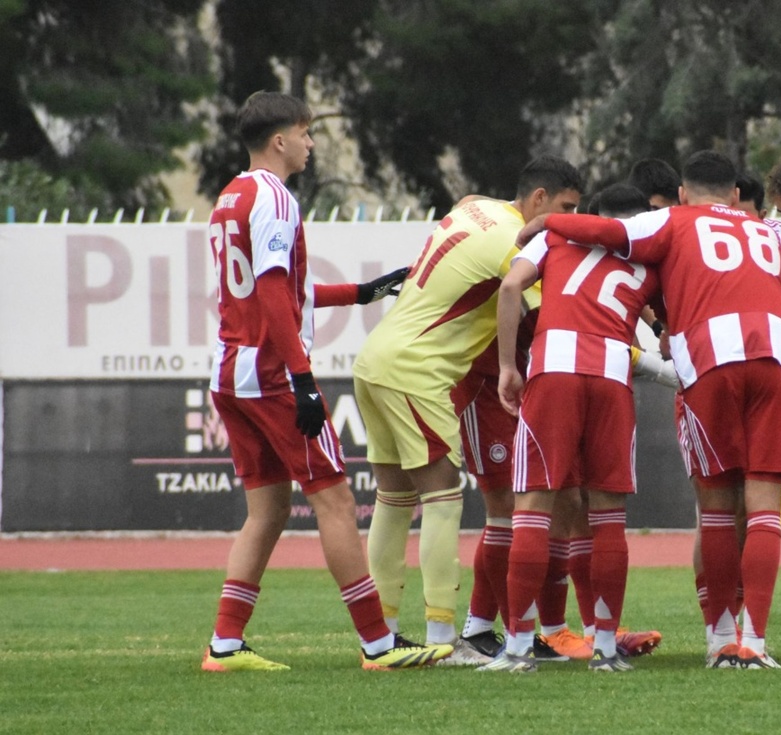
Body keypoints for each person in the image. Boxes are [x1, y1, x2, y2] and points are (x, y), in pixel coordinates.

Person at [201, 91, 451, 672]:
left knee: (266, 511)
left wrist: (361, 293)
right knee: (336, 501)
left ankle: (225, 644)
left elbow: (282, 290)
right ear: (281, 140)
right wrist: (305, 379)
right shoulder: (276, 198)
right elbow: (269, 292)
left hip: (231, 372)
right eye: (306, 133)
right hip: (270, 377)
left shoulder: (230, 196)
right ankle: (378, 644)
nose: (312, 144)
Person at [522, 151, 781, 669]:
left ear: (682, 194)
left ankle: (720, 641)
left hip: (711, 360)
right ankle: (756, 644)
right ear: (736, 195)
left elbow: (609, 235)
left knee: (716, 510)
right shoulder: (765, 230)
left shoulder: (673, 220)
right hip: (776, 357)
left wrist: (546, 222)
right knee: (763, 508)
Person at [352, 155, 582, 664]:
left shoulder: (480, 211)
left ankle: (384, 636)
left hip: (375, 359)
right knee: (441, 499)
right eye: (563, 208)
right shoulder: (517, 243)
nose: (562, 220)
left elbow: (465, 201)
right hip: (418, 370)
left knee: (392, 500)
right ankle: (441, 639)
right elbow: (549, 313)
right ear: (538, 199)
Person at [481, 183, 662, 673]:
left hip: (554, 367)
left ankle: (518, 649)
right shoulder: (648, 253)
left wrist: (507, 369)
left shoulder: (555, 238)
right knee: (607, 515)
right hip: (611, 373)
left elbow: (510, 287)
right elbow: (664, 319)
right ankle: (605, 647)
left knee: (533, 508)